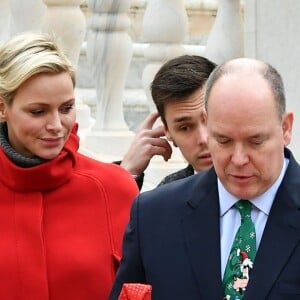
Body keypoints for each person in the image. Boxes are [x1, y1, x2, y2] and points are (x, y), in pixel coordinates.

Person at [109, 57, 299, 300]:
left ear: (285, 128)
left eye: (255, 141)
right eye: (223, 140)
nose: (239, 159)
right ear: (209, 126)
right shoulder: (153, 216)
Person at [0, 32, 138, 299]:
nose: (55, 126)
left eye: (66, 108)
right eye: (38, 111)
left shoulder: (116, 188)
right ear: (3, 108)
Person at [120, 55, 217, 188]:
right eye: (185, 127)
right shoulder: (166, 197)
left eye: (210, 119)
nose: (204, 139)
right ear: (168, 132)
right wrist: (127, 174)